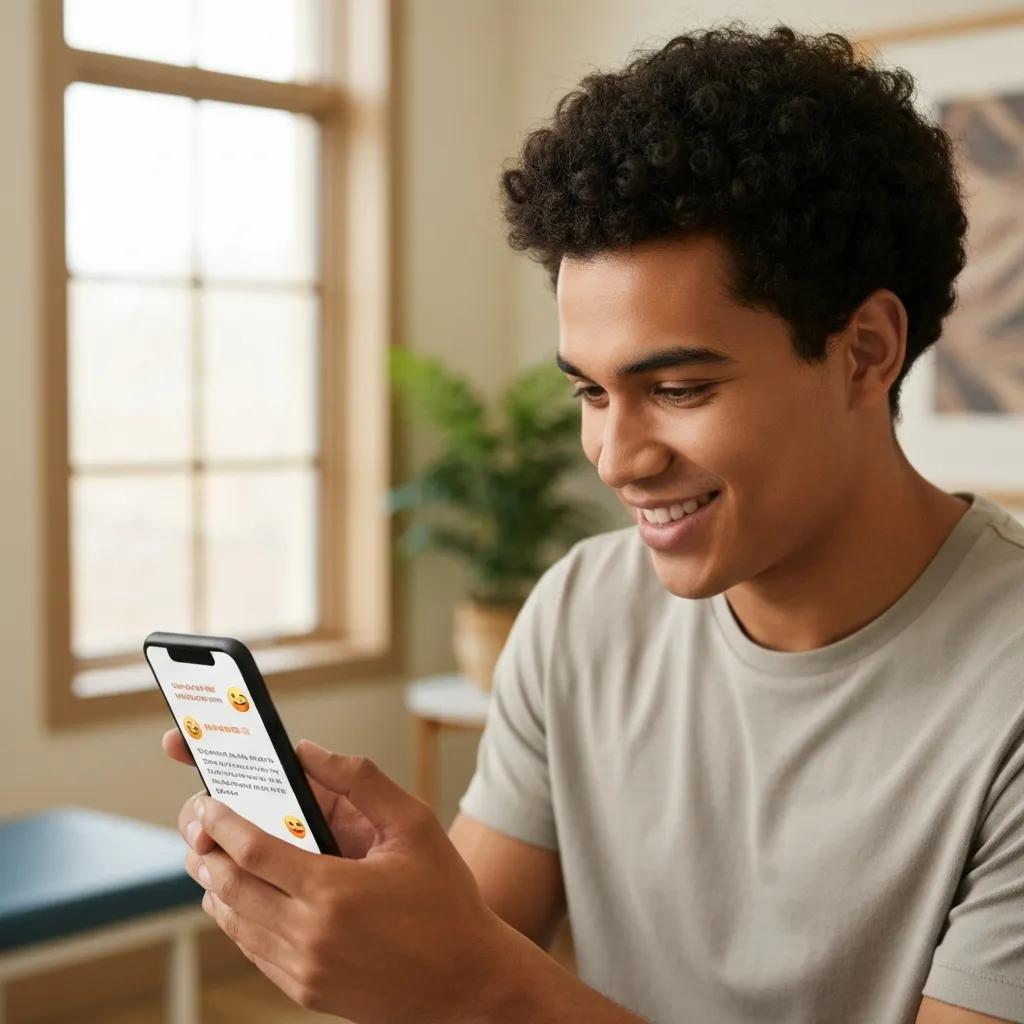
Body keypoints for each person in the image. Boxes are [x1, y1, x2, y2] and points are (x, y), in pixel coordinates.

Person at [163, 20, 1024, 1024]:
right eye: (590, 392)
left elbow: (483, 980)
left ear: (864, 350)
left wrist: (473, 980)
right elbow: (472, 942)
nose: (617, 456)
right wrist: (386, 909)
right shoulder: (583, 606)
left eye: (678, 387)